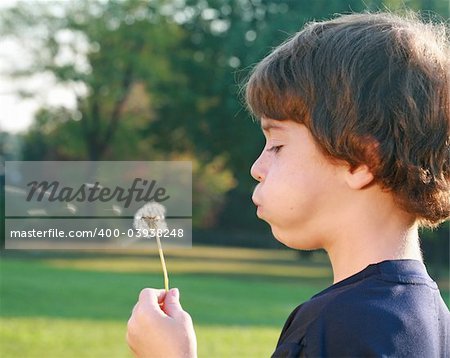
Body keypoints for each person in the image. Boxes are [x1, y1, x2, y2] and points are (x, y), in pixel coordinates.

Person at [126, 12, 450, 357]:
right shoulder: (437, 322)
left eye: (277, 145)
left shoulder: (337, 328)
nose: (257, 167)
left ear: (360, 160)